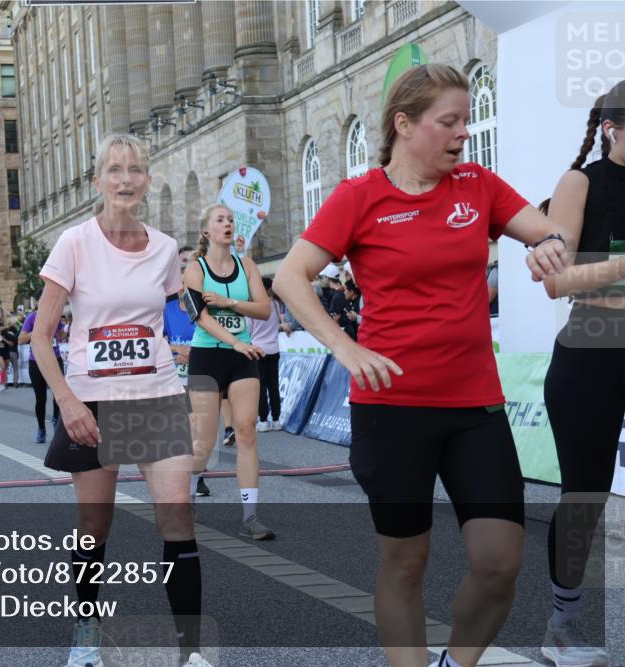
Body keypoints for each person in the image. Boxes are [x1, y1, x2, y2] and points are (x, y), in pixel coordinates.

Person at [273, 64, 567, 667]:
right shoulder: (359, 197)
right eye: (449, 121)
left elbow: (542, 228)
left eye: (466, 120)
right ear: (404, 125)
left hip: (474, 407)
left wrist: (547, 243)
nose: (463, 133)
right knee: (405, 563)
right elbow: (289, 277)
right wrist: (345, 347)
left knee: (499, 563)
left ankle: (454, 663)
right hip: (392, 410)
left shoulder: (477, 185)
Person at [35, 133, 210, 667]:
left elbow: (171, 312)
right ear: (99, 181)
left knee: (177, 516)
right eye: (115, 170)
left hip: (155, 394)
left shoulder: (162, 249)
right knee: (95, 526)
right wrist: (67, 403)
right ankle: (87, 636)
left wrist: (193, 345)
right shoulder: (74, 244)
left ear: (147, 180)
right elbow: (43, 336)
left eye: (135, 170)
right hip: (92, 401)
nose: (126, 179)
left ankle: (190, 652)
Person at [539, 82, 625, 667]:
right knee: (586, 497)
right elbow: (556, 279)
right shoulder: (582, 182)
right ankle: (562, 624)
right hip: (593, 347)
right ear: (614, 126)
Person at [184, 203, 274, 541]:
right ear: (207, 231)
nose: (228, 224)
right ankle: (188, 498)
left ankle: (250, 515)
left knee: (247, 430)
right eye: (220, 220)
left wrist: (230, 304)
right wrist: (233, 342)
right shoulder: (196, 269)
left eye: (231, 220)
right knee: (204, 442)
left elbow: (264, 309)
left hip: (242, 357)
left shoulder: (246, 264)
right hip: (208, 355)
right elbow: (200, 316)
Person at [165, 245, 211, 497]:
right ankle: (183, 482)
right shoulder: (167, 307)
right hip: (173, 376)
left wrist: (197, 350)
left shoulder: (206, 306)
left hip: (202, 372)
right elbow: (155, 338)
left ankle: (196, 478)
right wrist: (174, 349)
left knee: (199, 430)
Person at [19, 294, 65, 444]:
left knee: (59, 395)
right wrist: (37, 332)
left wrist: (61, 328)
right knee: (41, 398)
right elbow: (21, 339)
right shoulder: (32, 317)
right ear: (38, 301)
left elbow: (62, 335)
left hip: (55, 358)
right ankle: (41, 429)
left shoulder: (55, 315)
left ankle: (56, 422)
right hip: (37, 360)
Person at [249, 277, 284, 431]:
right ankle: (276, 420)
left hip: (258, 349)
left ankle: (263, 420)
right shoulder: (276, 305)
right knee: (273, 386)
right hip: (274, 349)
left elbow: (248, 330)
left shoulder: (253, 307)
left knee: (261, 387)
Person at [0, 316, 16, 391]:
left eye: (0, 327)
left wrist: (4, 339)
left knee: (4, 369)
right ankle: (1, 382)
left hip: (6, 352)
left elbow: (11, 344)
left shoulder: (7, 335)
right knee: (3, 367)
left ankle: (4, 382)